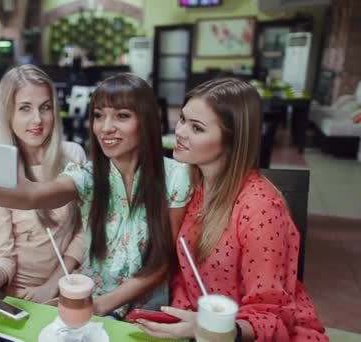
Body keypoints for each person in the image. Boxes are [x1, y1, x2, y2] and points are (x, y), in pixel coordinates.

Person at [0, 73, 192, 318]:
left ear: (146, 120)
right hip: (87, 295)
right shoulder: (88, 175)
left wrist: (99, 306)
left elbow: (161, 263)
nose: (106, 128)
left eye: (122, 116)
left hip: (139, 310)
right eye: (99, 116)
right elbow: (33, 195)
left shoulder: (176, 176)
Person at [135, 78, 327, 341]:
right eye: (182, 119)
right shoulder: (191, 186)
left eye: (197, 128)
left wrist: (213, 327)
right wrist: (179, 316)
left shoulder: (260, 207)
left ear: (231, 140)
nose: (179, 131)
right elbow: (185, 276)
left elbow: (271, 314)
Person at [0, 65, 87, 308]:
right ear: (8, 114)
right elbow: (2, 255)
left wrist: (53, 285)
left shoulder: (73, 155)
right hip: (17, 293)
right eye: (25, 108)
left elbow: (84, 230)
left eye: (45, 108)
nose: (37, 120)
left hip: (68, 281)